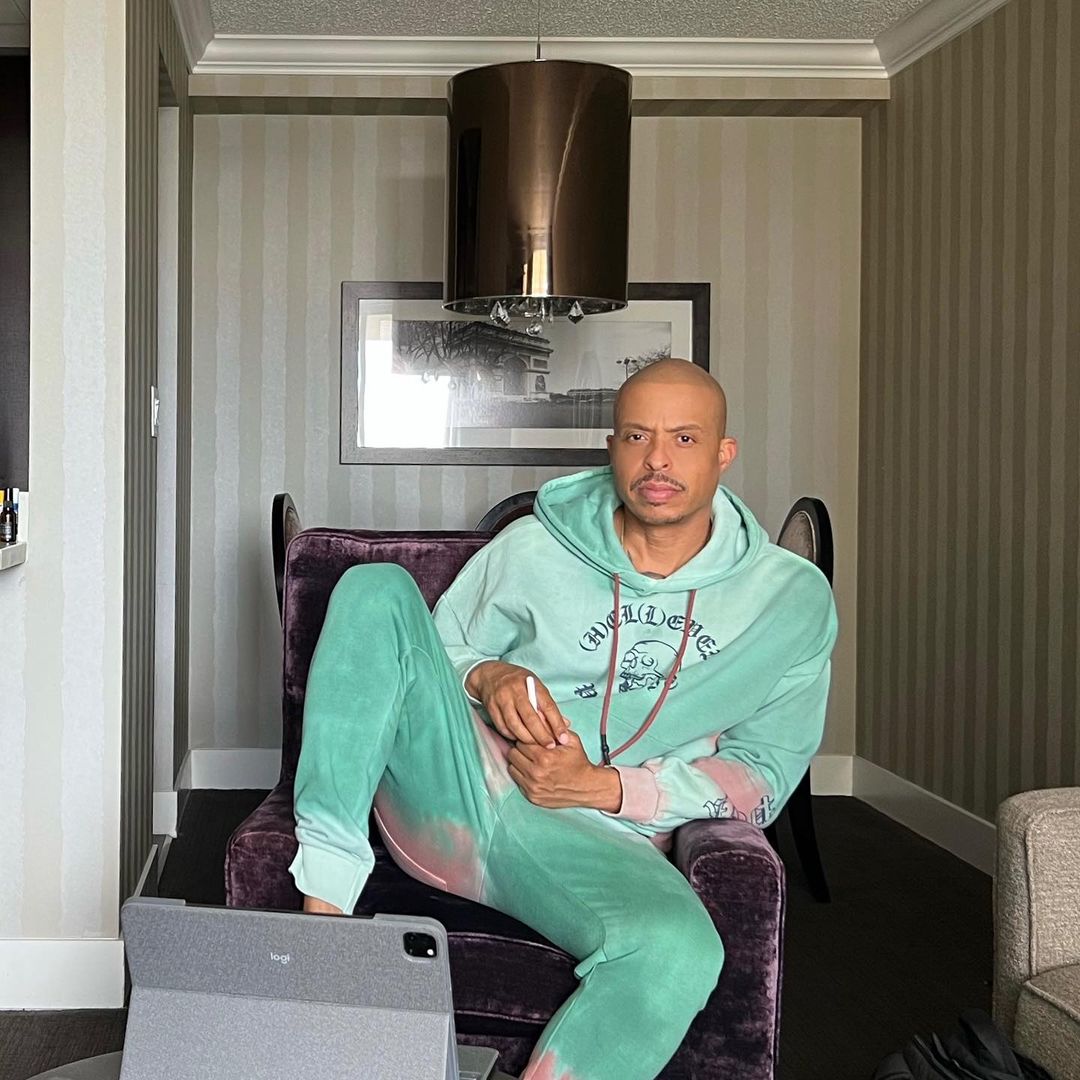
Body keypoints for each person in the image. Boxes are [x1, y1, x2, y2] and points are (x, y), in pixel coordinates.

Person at [289, 358, 838, 1080]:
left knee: (681, 950)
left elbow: (763, 772)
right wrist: (486, 675)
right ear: (612, 447)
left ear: (723, 453)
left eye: (684, 438)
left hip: (599, 843)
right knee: (374, 588)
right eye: (637, 436)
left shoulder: (790, 599)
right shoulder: (533, 546)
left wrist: (604, 788)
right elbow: (433, 649)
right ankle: (320, 947)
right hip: (457, 786)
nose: (658, 460)